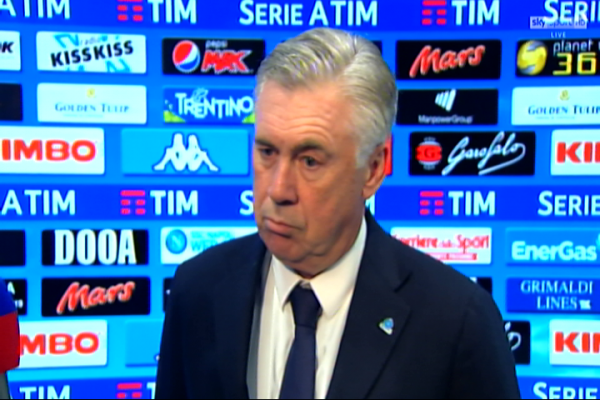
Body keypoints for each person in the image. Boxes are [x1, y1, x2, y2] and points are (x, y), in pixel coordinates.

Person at [155, 27, 521, 400]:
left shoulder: (457, 322)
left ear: (374, 168)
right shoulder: (197, 290)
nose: (278, 189)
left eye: (310, 161)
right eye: (267, 152)